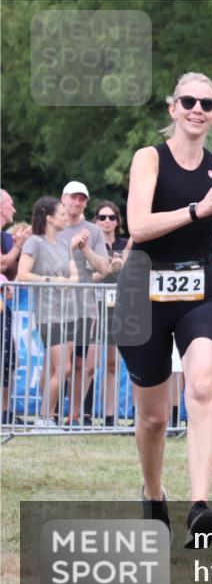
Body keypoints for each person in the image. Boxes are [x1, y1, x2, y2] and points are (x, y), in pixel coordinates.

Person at [113, 71, 212, 547]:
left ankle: (200, 507)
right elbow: (138, 226)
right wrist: (193, 211)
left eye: (207, 103)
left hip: (200, 291)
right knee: (154, 418)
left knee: (202, 386)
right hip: (141, 292)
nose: (197, 109)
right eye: (188, 101)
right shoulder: (149, 159)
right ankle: (153, 492)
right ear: (172, 107)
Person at [16, 197, 81, 430]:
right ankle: (43, 418)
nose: (66, 217)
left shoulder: (64, 245)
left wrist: (69, 281)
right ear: (50, 218)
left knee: (59, 367)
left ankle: (48, 417)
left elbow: (74, 274)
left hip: (70, 311)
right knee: (61, 367)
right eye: (62, 214)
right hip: (48, 313)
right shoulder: (34, 242)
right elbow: (22, 274)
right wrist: (52, 280)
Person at [58, 181, 110, 426]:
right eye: (73, 198)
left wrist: (85, 248)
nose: (77, 203)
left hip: (84, 306)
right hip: (55, 305)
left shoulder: (94, 231)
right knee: (60, 365)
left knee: (81, 364)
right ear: (63, 198)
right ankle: (50, 414)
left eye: (82, 199)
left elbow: (104, 267)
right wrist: (70, 247)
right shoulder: (52, 225)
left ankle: (74, 416)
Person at [92, 200, 129, 426]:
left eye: (111, 217)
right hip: (94, 307)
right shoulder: (92, 244)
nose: (107, 221)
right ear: (95, 220)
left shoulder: (125, 244)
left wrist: (122, 265)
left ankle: (110, 417)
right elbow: (86, 276)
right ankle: (82, 416)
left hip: (121, 308)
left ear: (118, 221)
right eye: (102, 217)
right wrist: (108, 268)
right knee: (88, 365)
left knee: (114, 364)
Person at [1, 189, 29, 422]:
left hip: (3, 308)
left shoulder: (4, 238)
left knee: (9, 358)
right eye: (10, 204)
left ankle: (5, 412)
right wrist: (19, 246)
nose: (14, 209)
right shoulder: (9, 242)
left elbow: (12, 273)